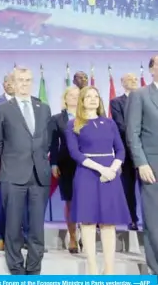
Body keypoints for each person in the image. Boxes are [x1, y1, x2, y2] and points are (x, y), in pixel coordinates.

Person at [0, 66, 51, 275]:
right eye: (20, 80)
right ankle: (16, 268)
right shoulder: (3, 108)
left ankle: (34, 269)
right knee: (13, 225)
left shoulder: (43, 108)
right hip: (13, 174)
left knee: (36, 227)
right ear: (13, 83)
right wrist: (12, 161)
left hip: (39, 175)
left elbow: (48, 140)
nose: (24, 84)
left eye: (27, 80)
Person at [65, 86, 129, 274]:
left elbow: (120, 149)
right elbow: (75, 153)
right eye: (88, 97)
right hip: (87, 175)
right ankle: (92, 266)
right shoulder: (73, 124)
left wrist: (112, 169)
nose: (93, 99)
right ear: (82, 101)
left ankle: (109, 269)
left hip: (110, 174)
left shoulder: (109, 123)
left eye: (96, 96)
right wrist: (101, 168)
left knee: (109, 223)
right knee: (88, 221)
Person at [0, 72, 30, 251]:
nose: (12, 85)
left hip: (26, 160)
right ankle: (0, 236)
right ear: (4, 85)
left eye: (16, 81)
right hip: (3, 160)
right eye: (9, 82)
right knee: (4, 199)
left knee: (26, 199)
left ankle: (25, 236)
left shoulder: (28, 102)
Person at [126, 55, 158, 275]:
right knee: (155, 220)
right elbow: (132, 133)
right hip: (152, 166)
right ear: (152, 69)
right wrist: (141, 163)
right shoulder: (140, 95)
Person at [49, 86, 80, 254]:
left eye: (78, 95)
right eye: (71, 95)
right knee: (69, 200)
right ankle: (73, 236)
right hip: (66, 164)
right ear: (65, 99)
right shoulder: (56, 119)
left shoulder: (88, 116)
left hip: (86, 164)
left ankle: (86, 233)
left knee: (85, 200)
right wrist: (53, 163)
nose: (75, 98)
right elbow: (54, 143)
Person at [109, 73, 140, 230]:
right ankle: (132, 218)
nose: (133, 81)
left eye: (135, 79)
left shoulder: (144, 98)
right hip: (126, 151)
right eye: (129, 79)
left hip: (145, 150)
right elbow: (120, 125)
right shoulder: (116, 102)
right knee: (128, 187)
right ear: (122, 82)